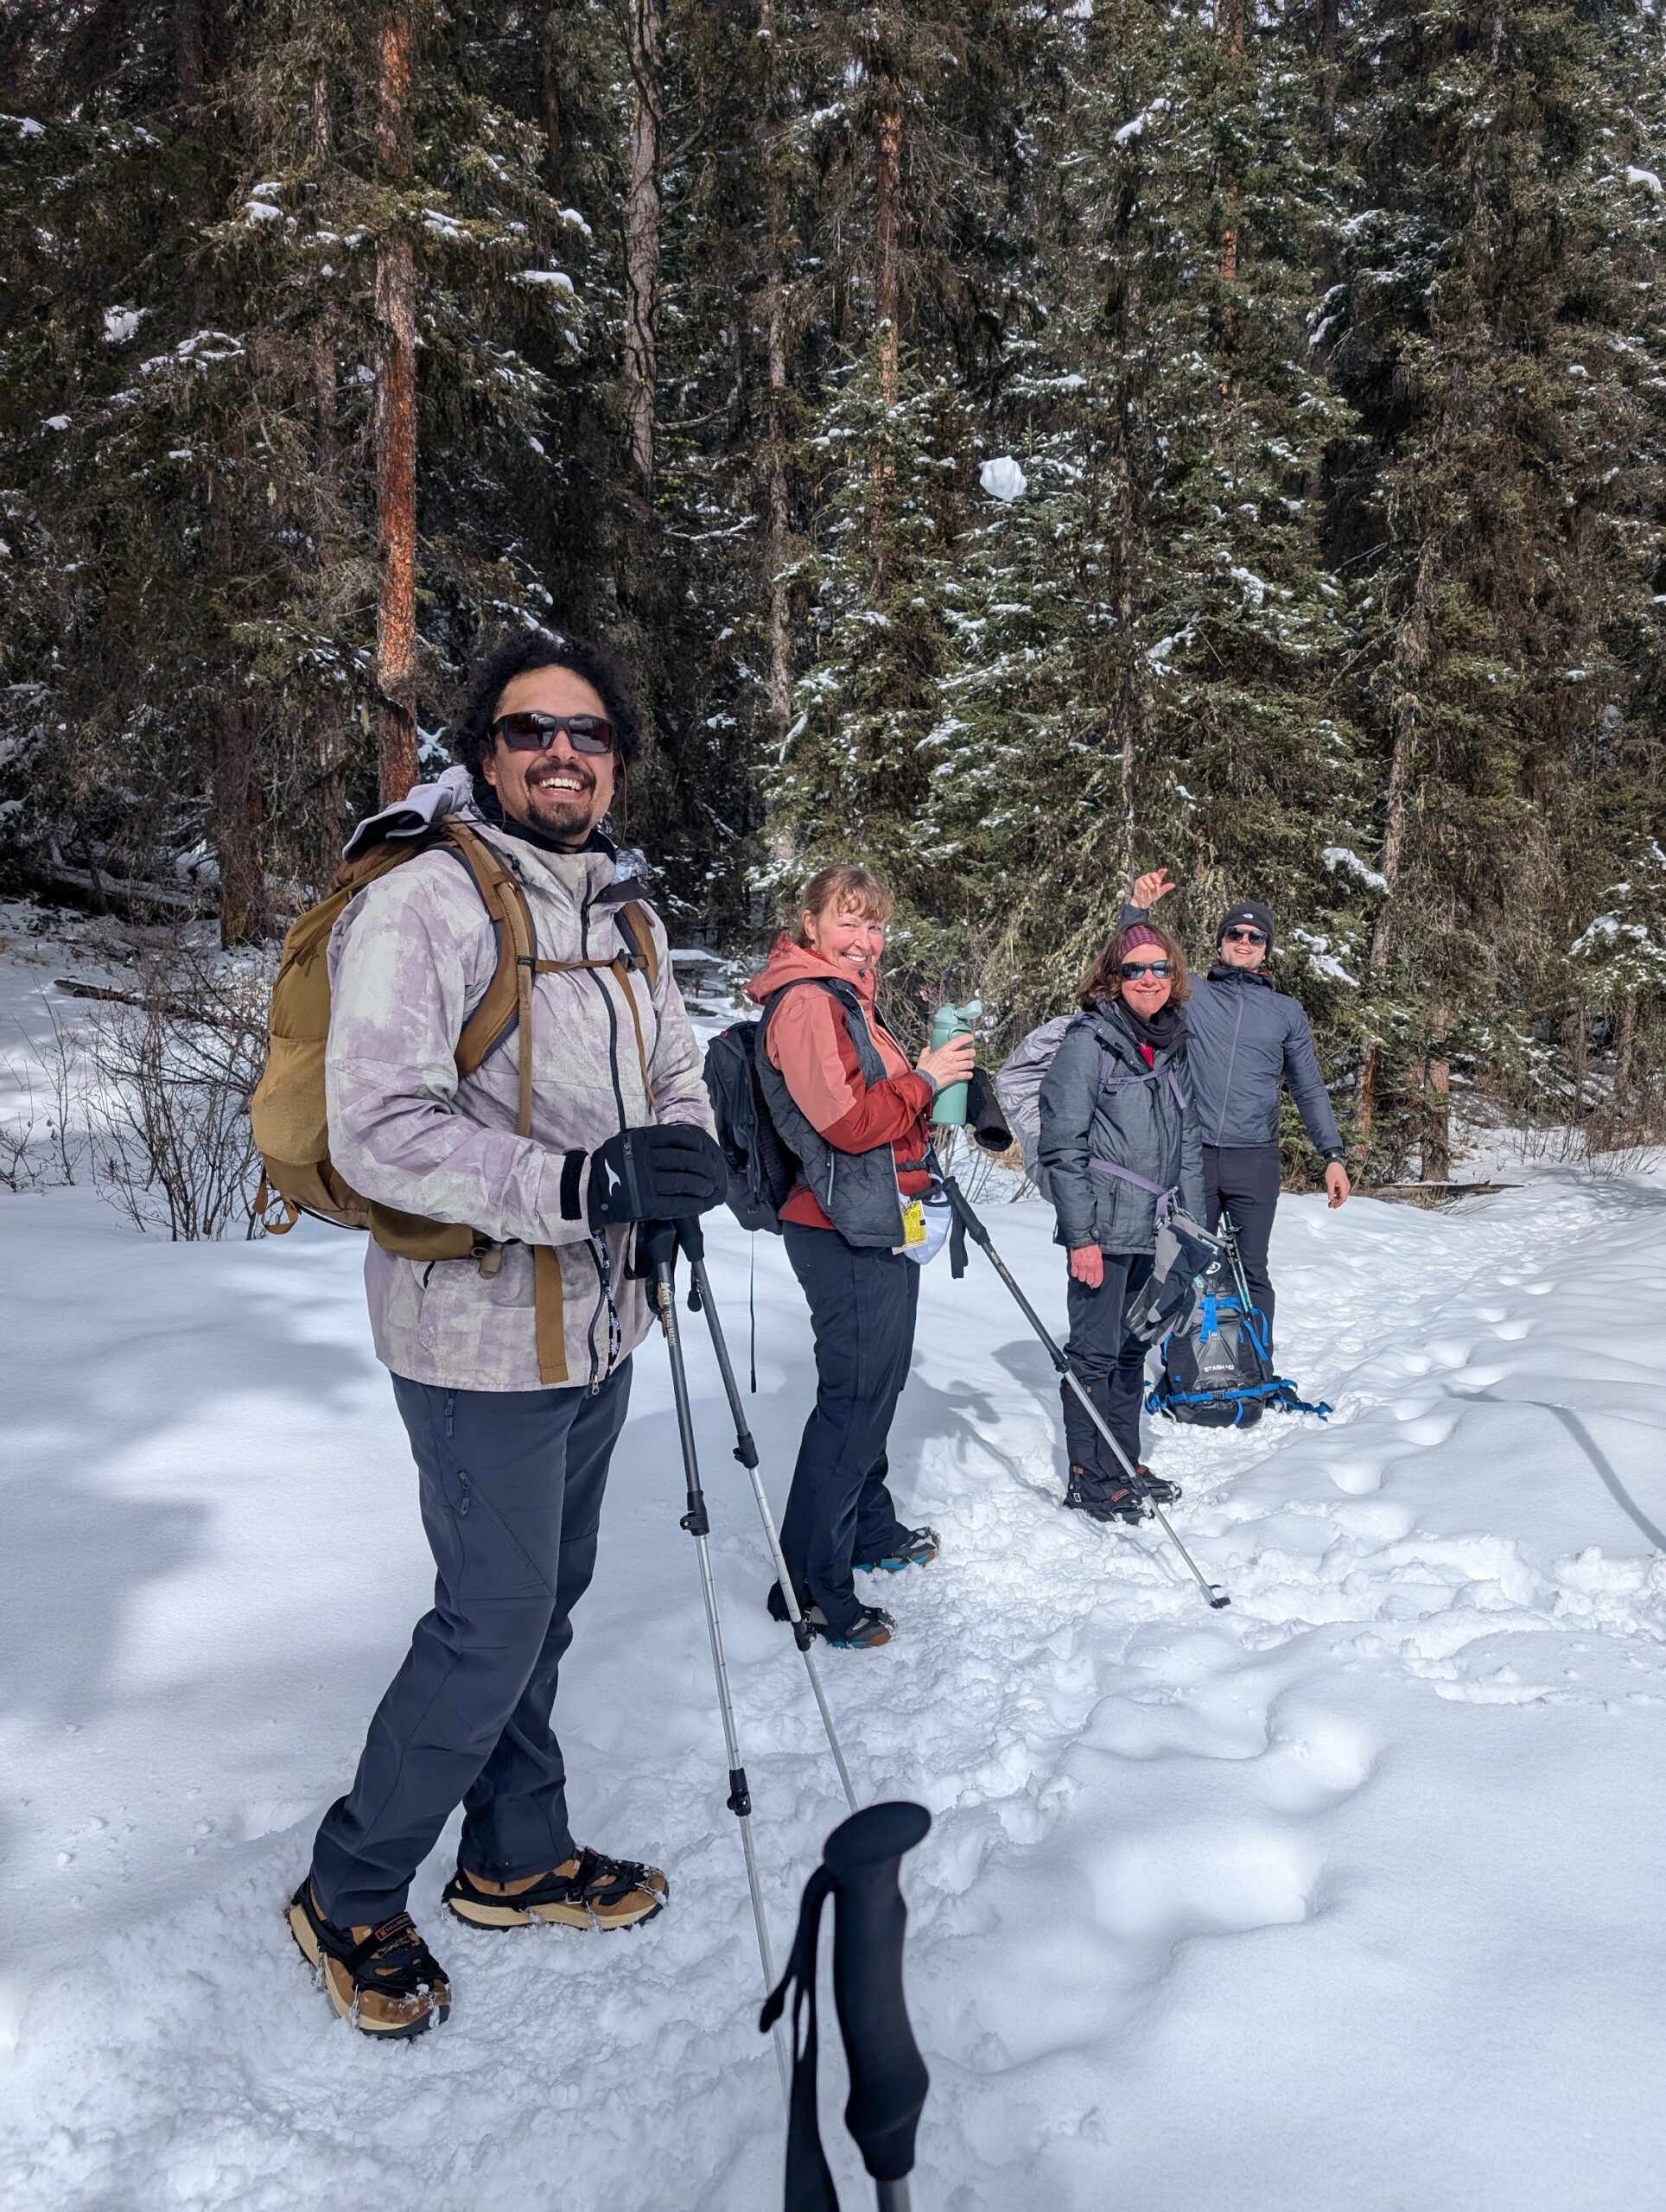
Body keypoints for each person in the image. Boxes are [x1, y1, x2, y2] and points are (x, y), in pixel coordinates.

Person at [286, 628, 727, 2038]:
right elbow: (378, 1123)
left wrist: (674, 1162)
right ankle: (350, 1889)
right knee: (489, 1625)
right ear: (485, 751)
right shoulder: (424, 903)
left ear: (613, 765)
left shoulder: (619, 909)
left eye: (587, 735)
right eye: (531, 729)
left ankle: (514, 1854)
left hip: (596, 1328)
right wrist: (577, 1187)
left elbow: (672, 1074)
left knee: (540, 1605)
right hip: (473, 1338)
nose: (560, 753)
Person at [745, 864, 977, 1650]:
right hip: (838, 1227)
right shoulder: (809, 1002)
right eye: (849, 923)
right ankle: (809, 1586)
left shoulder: (849, 1002)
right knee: (852, 1404)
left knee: (876, 1389)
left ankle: (867, 1528)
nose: (866, 942)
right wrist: (924, 1079)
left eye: (875, 927)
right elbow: (846, 1124)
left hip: (878, 1218)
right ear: (808, 924)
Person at [1122, 870, 1349, 1338]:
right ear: (1221, 941)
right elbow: (1136, 970)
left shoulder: (1286, 1011)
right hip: (1194, 1155)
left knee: (1251, 1270)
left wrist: (1333, 1155)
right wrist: (1136, 912)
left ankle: (1258, 1364)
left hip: (1255, 1159)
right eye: (1235, 933)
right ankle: (1178, 1362)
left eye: (1255, 936)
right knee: (1184, 1259)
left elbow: (1308, 1087)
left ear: (1266, 948)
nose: (1243, 941)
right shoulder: (1192, 992)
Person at [1038, 919, 1205, 1523]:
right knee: (1094, 1355)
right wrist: (1080, 1236)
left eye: (1160, 968)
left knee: (1132, 1349)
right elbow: (1063, 1145)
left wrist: (1194, 1231)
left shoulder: (1168, 1043)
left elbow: (1187, 1140)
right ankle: (1089, 1473)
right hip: (1104, 1226)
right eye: (1135, 969)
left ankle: (1122, 1462)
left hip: (1155, 1226)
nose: (1149, 979)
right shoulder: (1090, 1042)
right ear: (1113, 977)